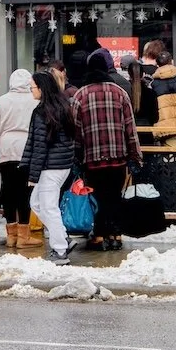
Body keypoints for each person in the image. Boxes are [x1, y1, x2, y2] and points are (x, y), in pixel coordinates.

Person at [71, 51, 142, 251]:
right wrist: (135, 156)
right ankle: (116, 235)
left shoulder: (80, 95)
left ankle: (100, 236)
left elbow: (75, 131)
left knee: (98, 197)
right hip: (118, 158)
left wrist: (76, 156)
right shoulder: (119, 92)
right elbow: (130, 128)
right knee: (115, 197)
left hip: (92, 159)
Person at [24, 71, 76, 265]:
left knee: (46, 206)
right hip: (61, 165)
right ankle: (62, 238)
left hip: (49, 167)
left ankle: (60, 250)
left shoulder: (42, 111)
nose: (31, 90)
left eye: (32, 87)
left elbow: (39, 145)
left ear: (42, 88)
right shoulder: (62, 106)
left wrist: (33, 174)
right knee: (37, 203)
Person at [0, 69, 40, 249]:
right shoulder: (34, 100)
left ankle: (10, 235)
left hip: (5, 148)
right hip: (26, 148)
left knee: (9, 192)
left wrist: (1, 144)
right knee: (24, 193)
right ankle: (24, 236)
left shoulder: (2, 101)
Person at [122, 56, 158, 128]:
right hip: (147, 131)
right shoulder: (151, 93)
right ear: (143, 74)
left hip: (130, 130)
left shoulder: (124, 92)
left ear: (129, 73)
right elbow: (155, 118)